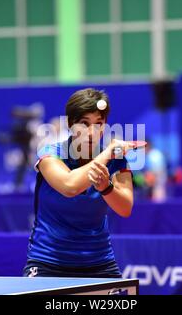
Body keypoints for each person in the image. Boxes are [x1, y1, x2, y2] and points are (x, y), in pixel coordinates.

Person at [23, 88, 134, 278]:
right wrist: (107, 153)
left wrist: (106, 188)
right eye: (84, 123)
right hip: (48, 261)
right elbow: (69, 186)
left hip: (99, 262)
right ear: (70, 124)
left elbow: (125, 208)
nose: (92, 132)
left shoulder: (117, 161)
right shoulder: (50, 153)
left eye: (99, 124)